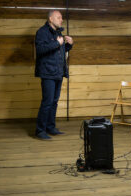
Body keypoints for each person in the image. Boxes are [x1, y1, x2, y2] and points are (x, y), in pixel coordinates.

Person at [34, 10, 73, 140]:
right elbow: (40, 50)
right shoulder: (42, 32)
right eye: (59, 17)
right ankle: (40, 131)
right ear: (51, 19)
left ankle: (50, 127)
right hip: (47, 73)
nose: (61, 20)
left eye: (61, 18)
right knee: (47, 102)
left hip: (58, 73)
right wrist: (58, 43)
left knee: (54, 102)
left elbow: (58, 51)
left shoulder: (57, 32)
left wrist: (69, 45)